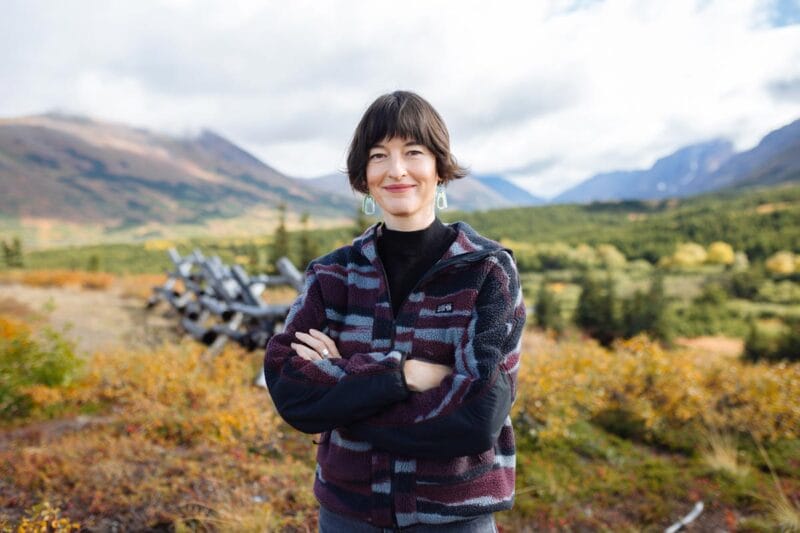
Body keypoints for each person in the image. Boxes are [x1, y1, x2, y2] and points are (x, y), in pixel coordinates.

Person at [264, 90, 526, 532]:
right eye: (379, 155)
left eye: (413, 152)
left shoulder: (487, 271)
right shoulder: (333, 275)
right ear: (364, 176)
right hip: (349, 515)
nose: (397, 170)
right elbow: (292, 391)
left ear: (439, 168)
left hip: (454, 517)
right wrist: (401, 376)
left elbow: (479, 416)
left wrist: (345, 393)